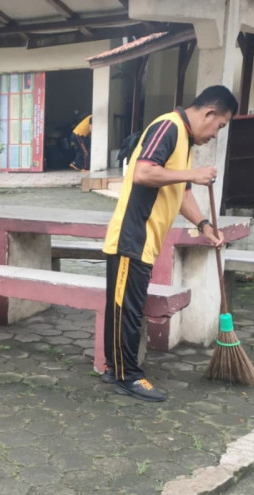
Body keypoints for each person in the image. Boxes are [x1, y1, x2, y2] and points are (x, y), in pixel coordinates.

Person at [101, 85, 238, 403]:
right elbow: (143, 173)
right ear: (209, 113)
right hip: (131, 237)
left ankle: (115, 368)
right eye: (219, 126)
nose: (215, 134)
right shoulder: (169, 126)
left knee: (124, 309)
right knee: (127, 312)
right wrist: (193, 172)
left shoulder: (184, 141)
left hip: (144, 240)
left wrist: (204, 226)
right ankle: (127, 376)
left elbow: (183, 194)